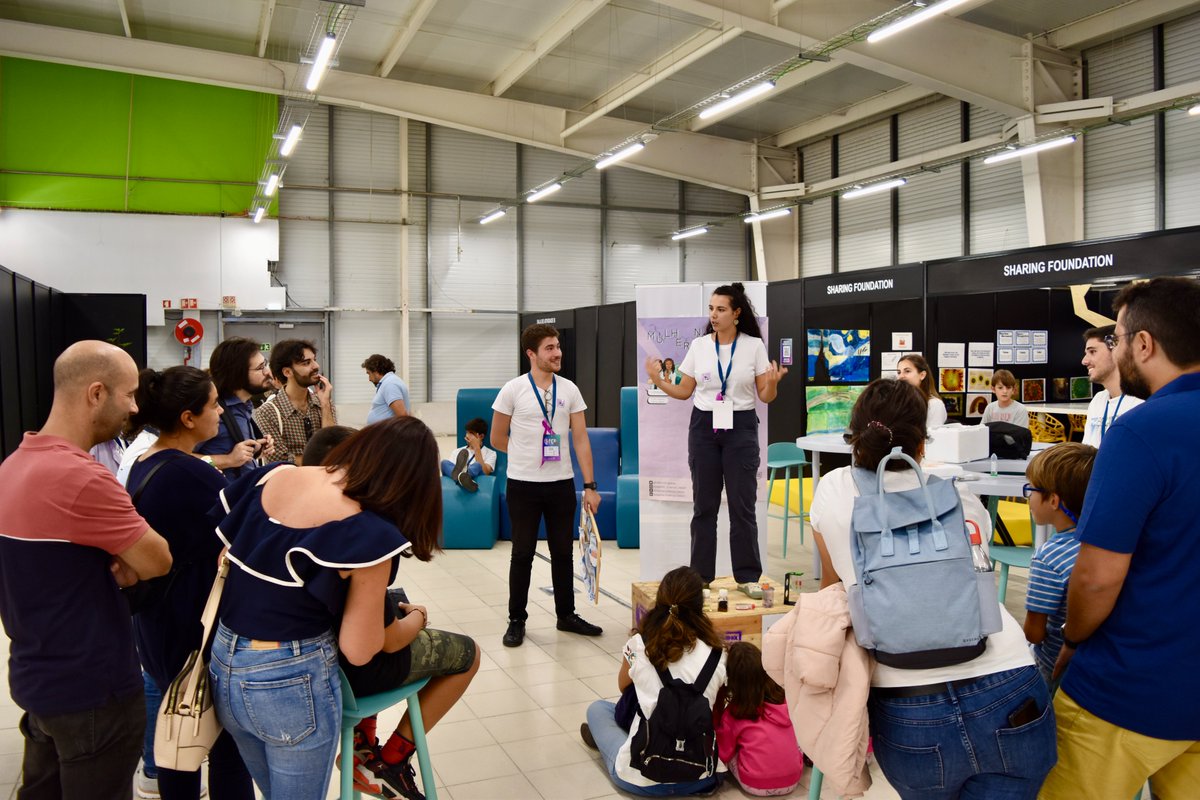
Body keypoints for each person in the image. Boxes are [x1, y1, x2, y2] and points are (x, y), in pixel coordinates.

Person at [208, 417, 478, 800]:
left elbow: (224, 557)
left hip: (224, 663)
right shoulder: (368, 531)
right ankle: (384, 760)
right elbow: (359, 648)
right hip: (289, 678)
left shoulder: (276, 475)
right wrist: (416, 618)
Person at [809, 378, 1054, 800]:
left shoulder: (832, 491)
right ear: (923, 442)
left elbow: (832, 588)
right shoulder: (957, 492)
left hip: (908, 703)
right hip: (1009, 685)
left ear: (856, 437)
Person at [1041, 277, 1200, 799]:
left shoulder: (1142, 432)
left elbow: (1097, 578)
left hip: (1127, 689)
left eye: (1121, 339)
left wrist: (1074, 640)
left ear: (1145, 344)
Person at [0, 341, 173, 800]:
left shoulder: (13, 466)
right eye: (129, 395)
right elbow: (157, 560)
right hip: (94, 689)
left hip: (38, 678)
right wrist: (122, 565)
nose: (134, 408)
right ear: (96, 393)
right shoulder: (83, 478)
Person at [125, 366, 253, 800]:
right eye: (213, 405)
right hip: (193, 625)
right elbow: (242, 537)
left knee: (178, 735)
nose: (220, 412)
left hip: (156, 620)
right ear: (187, 418)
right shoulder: (193, 474)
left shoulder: (147, 462)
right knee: (225, 742)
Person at [644, 282, 787, 586]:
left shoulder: (753, 346)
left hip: (741, 428)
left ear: (736, 313)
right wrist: (658, 378)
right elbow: (684, 391)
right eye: (711, 308)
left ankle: (748, 578)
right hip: (704, 429)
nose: (714, 315)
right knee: (704, 508)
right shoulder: (699, 346)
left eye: (721, 309)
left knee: (742, 507)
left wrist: (773, 382)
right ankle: (701, 579)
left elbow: (765, 395)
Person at [491, 323, 605, 647]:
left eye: (557, 346)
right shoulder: (513, 390)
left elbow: (580, 439)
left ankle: (566, 615)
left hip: (561, 484)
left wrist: (590, 485)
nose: (557, 353)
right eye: (549, 348)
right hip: (523, 485)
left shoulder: (569, 390)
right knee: (522, 553)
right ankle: (516, 619)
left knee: (562, 553)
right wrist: (524, 452)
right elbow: (498, 437)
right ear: (531, 354)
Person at [581, 566, 727, 796]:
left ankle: (612, 744)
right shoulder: (718, 654)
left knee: (598, 710)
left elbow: (622, 687)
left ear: (659, 601)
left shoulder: (639, 644)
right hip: (702, 776)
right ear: (701, 607)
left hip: (640, 777)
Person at [1020, 443, 1096, 686]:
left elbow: (1034, 632)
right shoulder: (1105, 544)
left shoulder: (1049, 557)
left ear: (1053, 500)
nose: (1029, 498)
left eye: (1031, 490)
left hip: (1055, 668)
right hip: (1093, 663)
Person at [715, 642, 803, 797]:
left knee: (730, 749)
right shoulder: (784, 700)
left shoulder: (735, 713)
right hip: (793, 780)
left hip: (755, 784)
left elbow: (723, 753)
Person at [197, 337, 276, 479]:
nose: (267, 372)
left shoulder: (243, 407)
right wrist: (228, 460)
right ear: (237, 375)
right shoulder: (213, 412)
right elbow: (182, 458)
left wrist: (256, 449)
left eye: (265, 364)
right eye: (260, 368)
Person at [254, 338, 336, 464]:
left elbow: (333, 447)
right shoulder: (267, 412)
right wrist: (323, 461)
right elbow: (278, 459)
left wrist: (325, 404)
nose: (316, 366)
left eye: (314, 360)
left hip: (323, 480)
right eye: (306, 363)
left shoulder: (323, 403)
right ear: (287, 372)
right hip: (291, 482)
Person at [1080, 324, 1143, 447]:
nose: (1084, 361)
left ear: (1116, 351)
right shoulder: (1098, 400)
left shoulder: (1141, 401)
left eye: (1093, 352)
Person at [440, 417, 496, 492]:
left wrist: (477, 448)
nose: (467, 435)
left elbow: (485, 473)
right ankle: (462, 478)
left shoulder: (491, 453)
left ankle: (465, 476)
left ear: (481, 436)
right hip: (459, 483)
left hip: (479, 481)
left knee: (477, 465)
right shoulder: (457, 451)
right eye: (467, 432)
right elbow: (451, 471)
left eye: (471, 433)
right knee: (444, 463)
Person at [896, 353, 946, 430]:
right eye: (899, 372)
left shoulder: (934, 404)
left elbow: (932, 438)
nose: (901, 376)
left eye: (907, 371)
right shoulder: (899, 402)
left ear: (922, 375)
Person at [363, 353, 410, 424]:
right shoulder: (388, 382)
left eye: (369, 373)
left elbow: (403, 416)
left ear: (375, 371)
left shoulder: (390, 384)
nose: (369, 379)